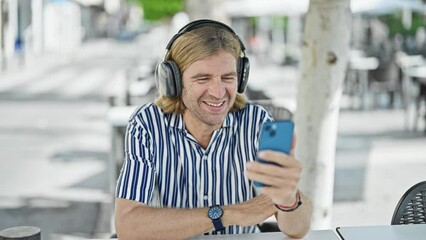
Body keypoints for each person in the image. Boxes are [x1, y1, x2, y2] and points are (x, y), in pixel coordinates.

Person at [115, 19, 312, 239]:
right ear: (174, 82)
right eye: (202, 78)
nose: (218, 93)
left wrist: (289, 200)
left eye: (227, 78)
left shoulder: (257, 122)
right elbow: (127, 227)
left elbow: (297, 229)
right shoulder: (147, 124)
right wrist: (227, 214)